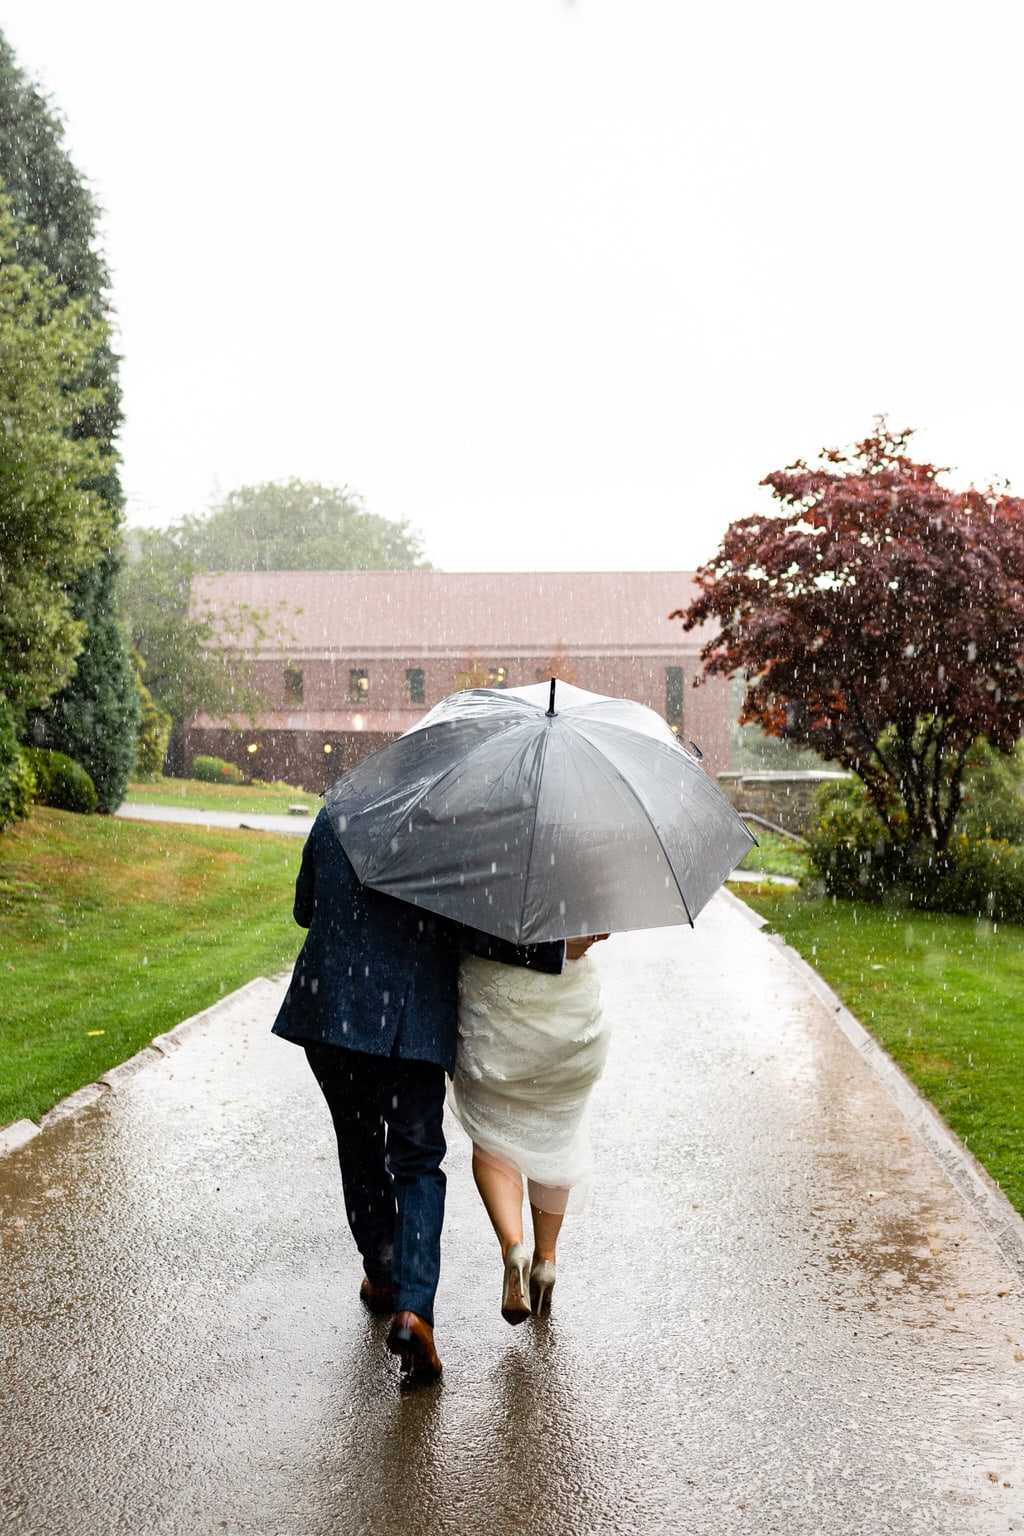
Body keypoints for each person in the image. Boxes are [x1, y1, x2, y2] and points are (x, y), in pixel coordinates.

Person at [271, 805, 564, 1383]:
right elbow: (479, 933)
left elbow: (305, 908)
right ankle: (413, 1309)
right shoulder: (453, 830)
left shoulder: (338, 812)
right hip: (409, 1023)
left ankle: (381, 1268)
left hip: (329, 1012)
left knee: (357, 1142)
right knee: (418, 1162)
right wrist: (552, 948)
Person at [448, 932, 611, 1324]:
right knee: (553, 1132)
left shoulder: (477, 869)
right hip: (565, 1007)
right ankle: (546, 1260)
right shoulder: (582, 869)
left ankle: (513, 1247)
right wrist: (564, 942)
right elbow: (597, 931)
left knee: (493, 1136)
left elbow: (458, 924)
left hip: (494, 997)